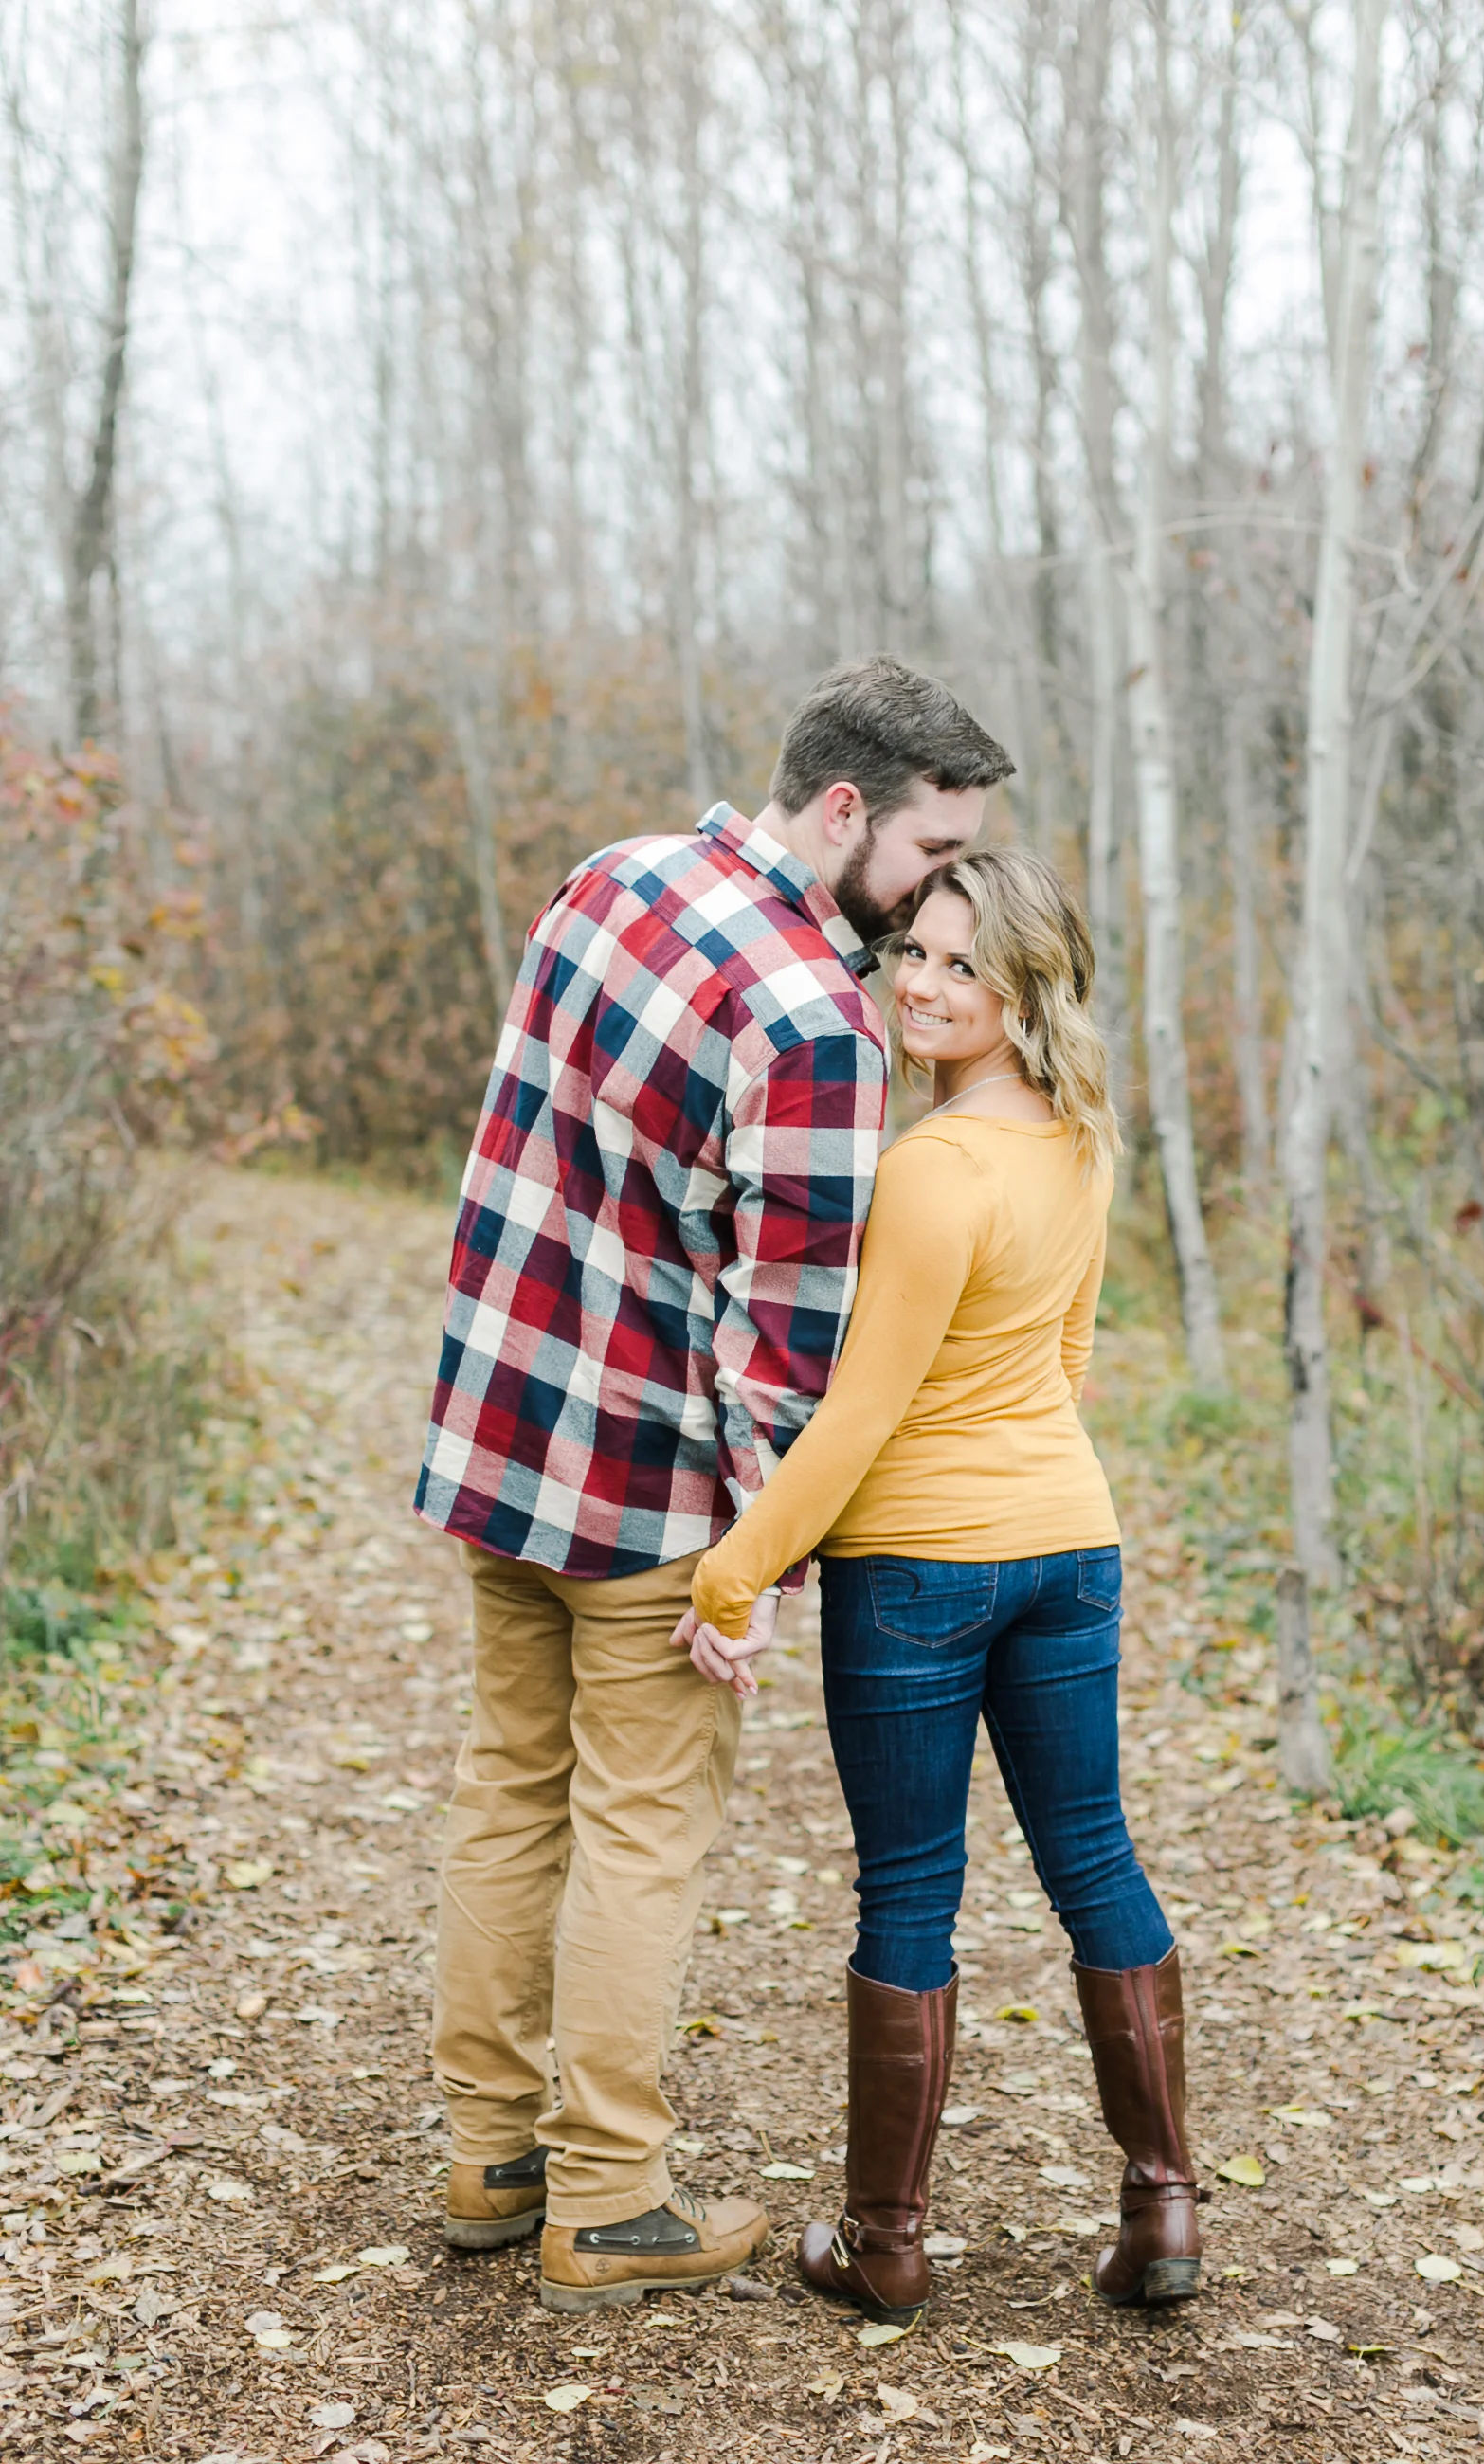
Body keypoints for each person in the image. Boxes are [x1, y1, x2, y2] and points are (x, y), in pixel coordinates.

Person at [412, 657, 1012, 2312]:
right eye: (929, 851)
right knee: (642, 1831)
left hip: (498, 1436)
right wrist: (760, 1563)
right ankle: (608, 2201)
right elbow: (789, 1343)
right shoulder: (816, 1017)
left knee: (508, 1788)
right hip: (646, 1496)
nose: (934, 896)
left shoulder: (613, 875)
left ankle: (489, 2159)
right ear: (844, 809)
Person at [679, 846, 1201, 2326]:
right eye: (915, 949)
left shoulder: (930, 1167)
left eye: (964, 965)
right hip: (1070, 1545)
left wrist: (732, 1573)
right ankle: (1165, 2204)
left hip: (917, 1563)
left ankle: (886, 2242)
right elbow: (1069, 1362)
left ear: (1027, 990)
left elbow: (861, 1415)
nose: (920, 982)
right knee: (1093, 1855)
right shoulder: (1084, 1139)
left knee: (912, 1883)